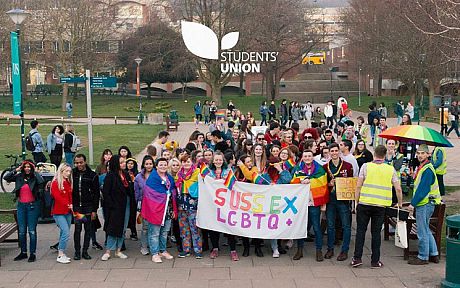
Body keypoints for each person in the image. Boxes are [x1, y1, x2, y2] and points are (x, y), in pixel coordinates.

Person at [351, 145, 403, 268]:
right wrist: (400, 203)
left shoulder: (366, 166)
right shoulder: (390, 169)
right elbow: (398, 189)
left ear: (374, 154)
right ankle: (375, 261)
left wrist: (356, 201)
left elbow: (358, 186)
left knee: (360, 231)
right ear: (385, 156)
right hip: (380, 206)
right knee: (376, 233)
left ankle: (357, 258)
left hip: (364, 203)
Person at [3, 160, 45, 262]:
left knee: (31, 231)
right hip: (21, 206)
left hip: (32, 206)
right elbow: (6, 177)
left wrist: (35, 171)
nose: (27, 169)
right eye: (25, 167)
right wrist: (16, 170)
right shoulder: (19, 177)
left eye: (29, 167)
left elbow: (41, 181)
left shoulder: (35, 177)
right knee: (21, 231)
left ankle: (32, 253)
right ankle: (23, 252)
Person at [291, 150, 329, 261]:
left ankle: (319, 251)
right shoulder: (298, 169)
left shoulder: (319, 169)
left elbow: (323, 183)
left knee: (316, 227)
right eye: (305, 156)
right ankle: (299, 250)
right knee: (301, 226)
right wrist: (300, 181)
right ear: (302, 158)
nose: (307, 158)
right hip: (301, 203)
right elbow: (293, 182)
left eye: (309, 156)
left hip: (314, 202)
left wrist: (309, 181)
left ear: (313, 157)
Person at [407, 144, 441, 265]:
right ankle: (434, 254)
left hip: (425, 203)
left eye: (423, 153)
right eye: (418, 153)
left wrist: (412, 204)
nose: (420, 155)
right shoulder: (424, 167)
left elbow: (423, 189)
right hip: (428, 203)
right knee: (426, 229)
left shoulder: (427, 169)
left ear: (428, 154)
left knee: (422, 231)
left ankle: (423, 256)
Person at [141, 158, 178, 263]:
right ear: (156, 166)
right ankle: (154, 253)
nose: (163, 166)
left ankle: (163, 250)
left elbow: (172, 192)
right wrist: (165, 195)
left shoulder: (170, 178)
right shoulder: (152, 179)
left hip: (168, 209)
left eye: (165, 164)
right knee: (154, 233)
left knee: (165, 232)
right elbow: (150, 194)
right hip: (155, 210)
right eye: (160, 165)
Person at [324, 143, 354, 261]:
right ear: (329, 153)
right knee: (330, 226)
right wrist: (328, 184)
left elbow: (351, 182)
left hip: (343, 200)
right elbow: (322, 185)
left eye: (336, 150)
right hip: (330, 200)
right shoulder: (325, 167)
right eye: (332, 151)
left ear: (339, 152)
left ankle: (344, 250)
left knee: (346, 226)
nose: (334, 153)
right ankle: (330, 249)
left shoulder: (347, 166)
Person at [207, 151, 239, 261]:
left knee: (229, 227)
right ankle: (215, 248)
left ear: (223, 160)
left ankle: (233, 250)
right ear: (213, 161)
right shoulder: (209, 172)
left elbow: (234, 184)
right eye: (216, 160)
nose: (218, 162)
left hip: (226, 204)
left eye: (220, 160)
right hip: (212, 204)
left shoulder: (228, 171)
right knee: (213, 228)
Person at [101, 155, 133, 261]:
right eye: (121, 162)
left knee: (123, 228)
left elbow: (129, 189)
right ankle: (108, 251)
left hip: (126, 204)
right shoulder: (110, 176)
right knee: (113, 228)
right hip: (115, 206)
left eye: (124, 162)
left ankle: (118, 250)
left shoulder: (126, 175)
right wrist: (111, 205)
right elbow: (106, 192)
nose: (124, 164)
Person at [72, 154, 99, 261]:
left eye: (81, 162)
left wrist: (94, 210)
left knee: (88, 229)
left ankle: (85, 251)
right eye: (77, 163)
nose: (79, 165)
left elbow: (96, 193)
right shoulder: (72, 173)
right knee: (77, 228)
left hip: (88, 206)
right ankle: (77, 251)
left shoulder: (92, 175)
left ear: (85, 162)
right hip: (77, 207)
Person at [175, 154, 202, 258]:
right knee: (184, 228)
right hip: (181, 204)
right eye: (184, 161)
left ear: (192, 162)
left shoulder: (197, 172)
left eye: (188, 161)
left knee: (195, 228)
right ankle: (186, 249)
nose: (186, 163)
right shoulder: (179, 174)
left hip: (193, 204)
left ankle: (198, 249)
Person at [50, 163, 73, 264]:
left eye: (69, 171)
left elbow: (69, 196)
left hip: (67, 211)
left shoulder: (67, 182)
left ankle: (61, 251)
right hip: (59, 212)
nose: (68, 173)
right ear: (61, 171)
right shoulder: (55, 183)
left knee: (64, 232)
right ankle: (60, 253)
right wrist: (68, 204)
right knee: (66, 232)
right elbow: (58, 197)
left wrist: (71, 204)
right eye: (66, 171)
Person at [134, 155, 155, 256]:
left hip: (155, 205)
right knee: (145, 227)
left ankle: (153, 246)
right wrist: (138, 205)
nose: (149, 165)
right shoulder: (138, 177)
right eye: (147, 164)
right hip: (144, 205)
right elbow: (136, 192)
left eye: (150, 163)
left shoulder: (157, 174)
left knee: (154, 227)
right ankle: (144, 246)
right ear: (143, 165)